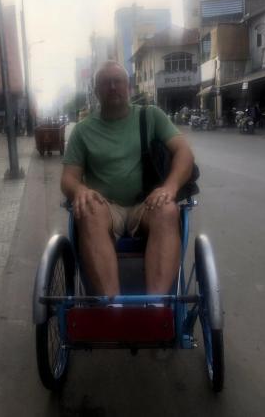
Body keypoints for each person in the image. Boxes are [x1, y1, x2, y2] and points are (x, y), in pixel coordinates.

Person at [61, 61, 194, 296]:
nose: (113, 87)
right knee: (88, 210)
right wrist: (80, 191)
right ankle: (112, 307)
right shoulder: (83, 131)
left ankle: (156, 306)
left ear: (128, 87)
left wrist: (170, 187)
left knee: (167, 209)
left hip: (145, 203)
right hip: (106, 207)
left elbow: (184, 153)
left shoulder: (151, 116)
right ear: (96, 92)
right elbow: (68, 178)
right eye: (105, 83)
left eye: (118, 81)